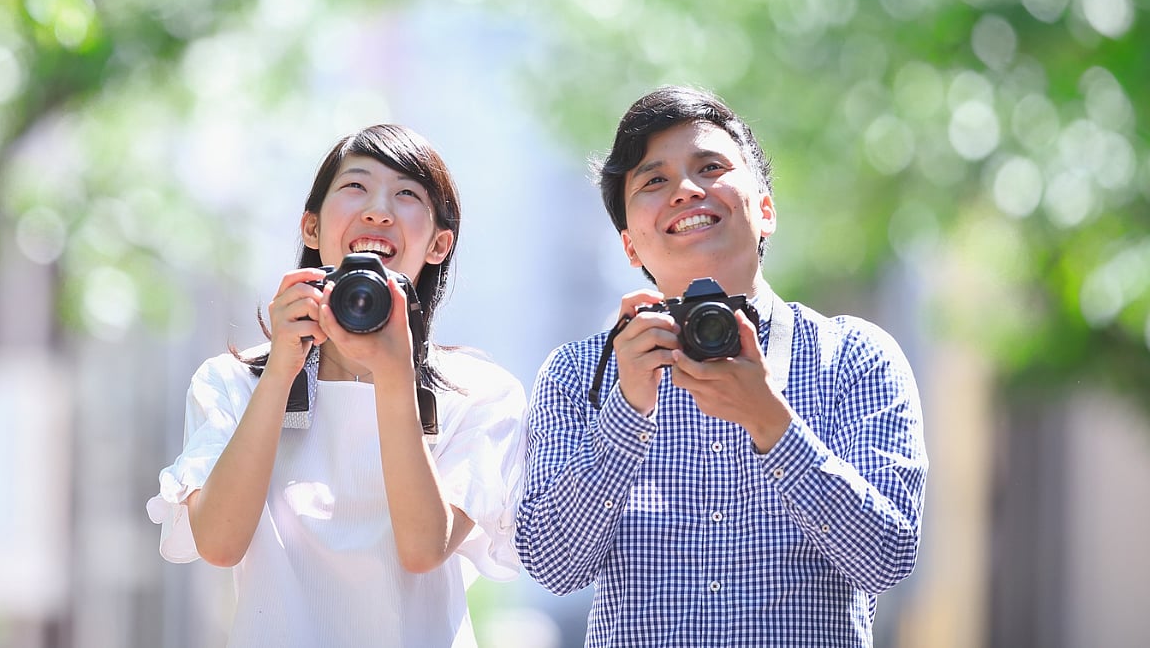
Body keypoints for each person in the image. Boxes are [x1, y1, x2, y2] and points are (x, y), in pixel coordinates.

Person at [516, 86, 927, 646]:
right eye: (653, 181)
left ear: (765, 211)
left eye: (710, 167)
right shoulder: (578, 373)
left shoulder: (856, 357)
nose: (686, 190)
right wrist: (626, 413)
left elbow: (889, 558)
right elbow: (552, 565)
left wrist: (773, 425)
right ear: (630, 246)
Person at [147, 124, 527, 647]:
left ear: (440, 243)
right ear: (311, 226)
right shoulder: (232, 382)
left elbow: (423, 549)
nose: (378, 211)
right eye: (356, 186)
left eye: (407, 194)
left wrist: (393, 375)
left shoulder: (478, 393)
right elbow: (219, 543)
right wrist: (280, 369)